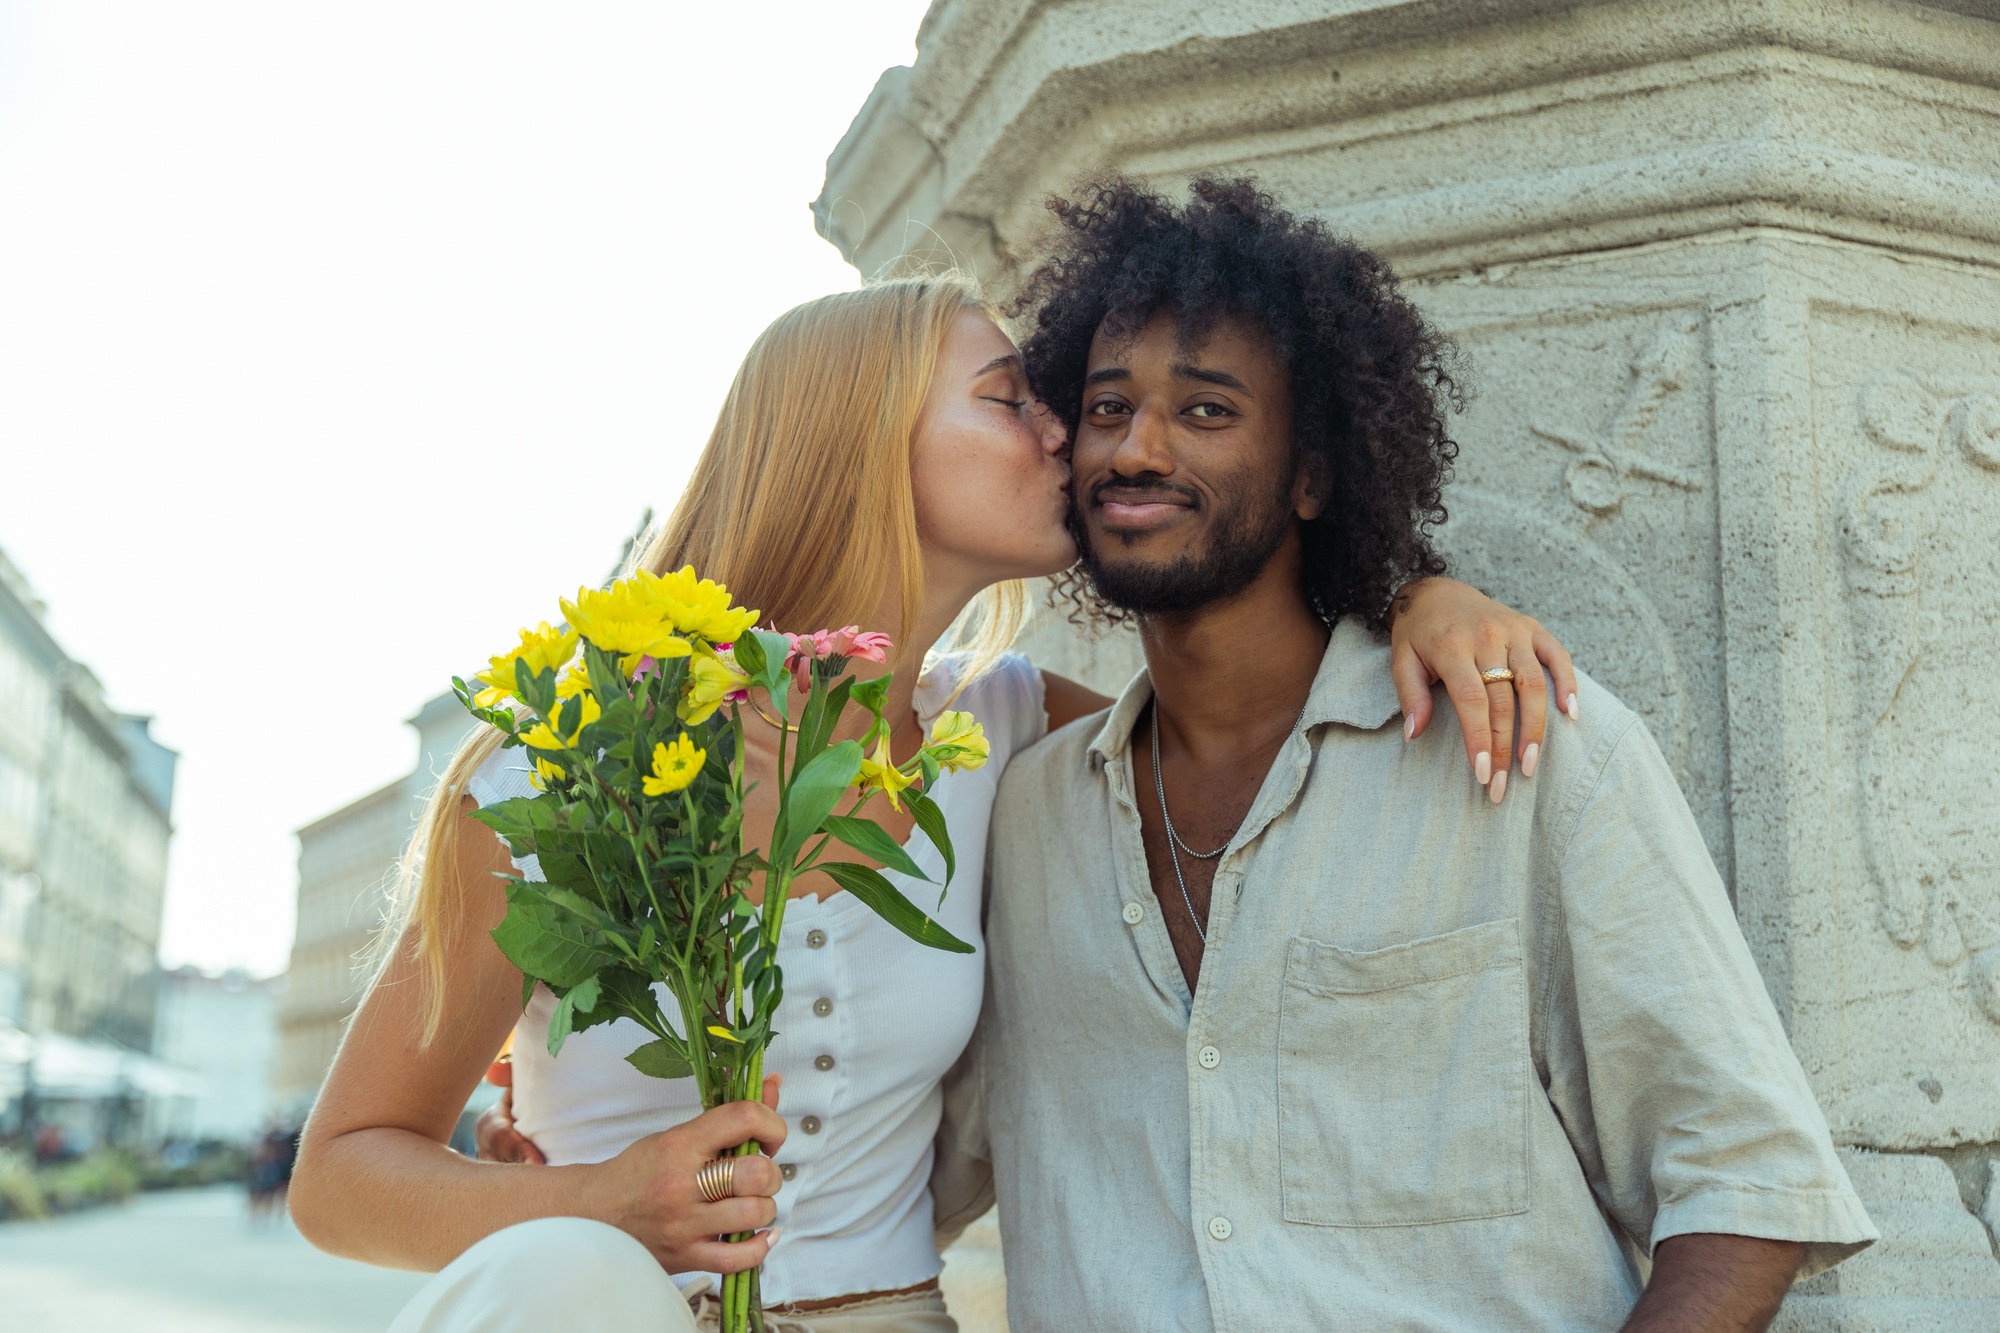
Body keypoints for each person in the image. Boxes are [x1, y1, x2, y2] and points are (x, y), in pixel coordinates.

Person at [288, 272, 1582, 1333]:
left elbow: (1260, 713)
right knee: (565, 1285)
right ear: (858, 440)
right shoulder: (560, 775)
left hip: (898, 1316)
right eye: (1009, 398)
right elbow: (343, 1171)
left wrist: (1414, 597)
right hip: (596, 1314)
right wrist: (595, 1204)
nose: (1066, 434)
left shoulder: (1010, 730)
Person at [948, 177, 1880, 1331]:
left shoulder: (1520, 744)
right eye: (1104, 407)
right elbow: (891, 1154)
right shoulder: (1022, 816)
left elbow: (1744, 1184)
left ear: (1310, 476)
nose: (1135, 448)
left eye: (1204, 412)